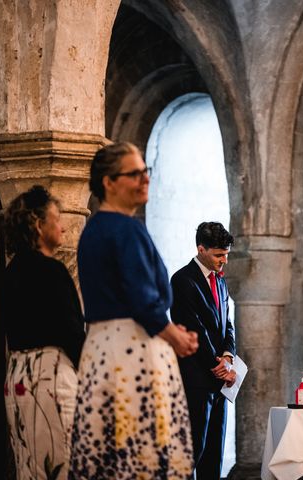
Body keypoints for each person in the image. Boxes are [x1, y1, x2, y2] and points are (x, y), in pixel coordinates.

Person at [69, 142, 198, 479]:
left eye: (146, 171)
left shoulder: (93, 229)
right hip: (132, 352)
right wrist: (175, 337)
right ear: (109, 182)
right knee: (140, 454)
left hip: (100, 348)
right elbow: (141, 299)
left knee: (108, 453)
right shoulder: (125, 228)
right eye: (134, 174)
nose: (145, 180)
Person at [2, 185, 86, 480]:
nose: (62, 226)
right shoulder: (52, 272)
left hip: (17, 380)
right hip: (51, 378)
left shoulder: (7, 275)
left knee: (31, 468)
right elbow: (73, 334)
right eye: (56, 218)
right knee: (64, 464)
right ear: (39, 225)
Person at [170, 221, 236, 480]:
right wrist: (216, 364)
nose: (224, 261)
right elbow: (191, 327)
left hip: (220, 382)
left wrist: (228, 356)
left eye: (226, 255)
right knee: (191, 452)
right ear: (201, 249)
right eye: (219, 255)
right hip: (195, 380)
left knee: (214, 456)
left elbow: (227, 324)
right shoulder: (182, 280)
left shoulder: (220, 282)